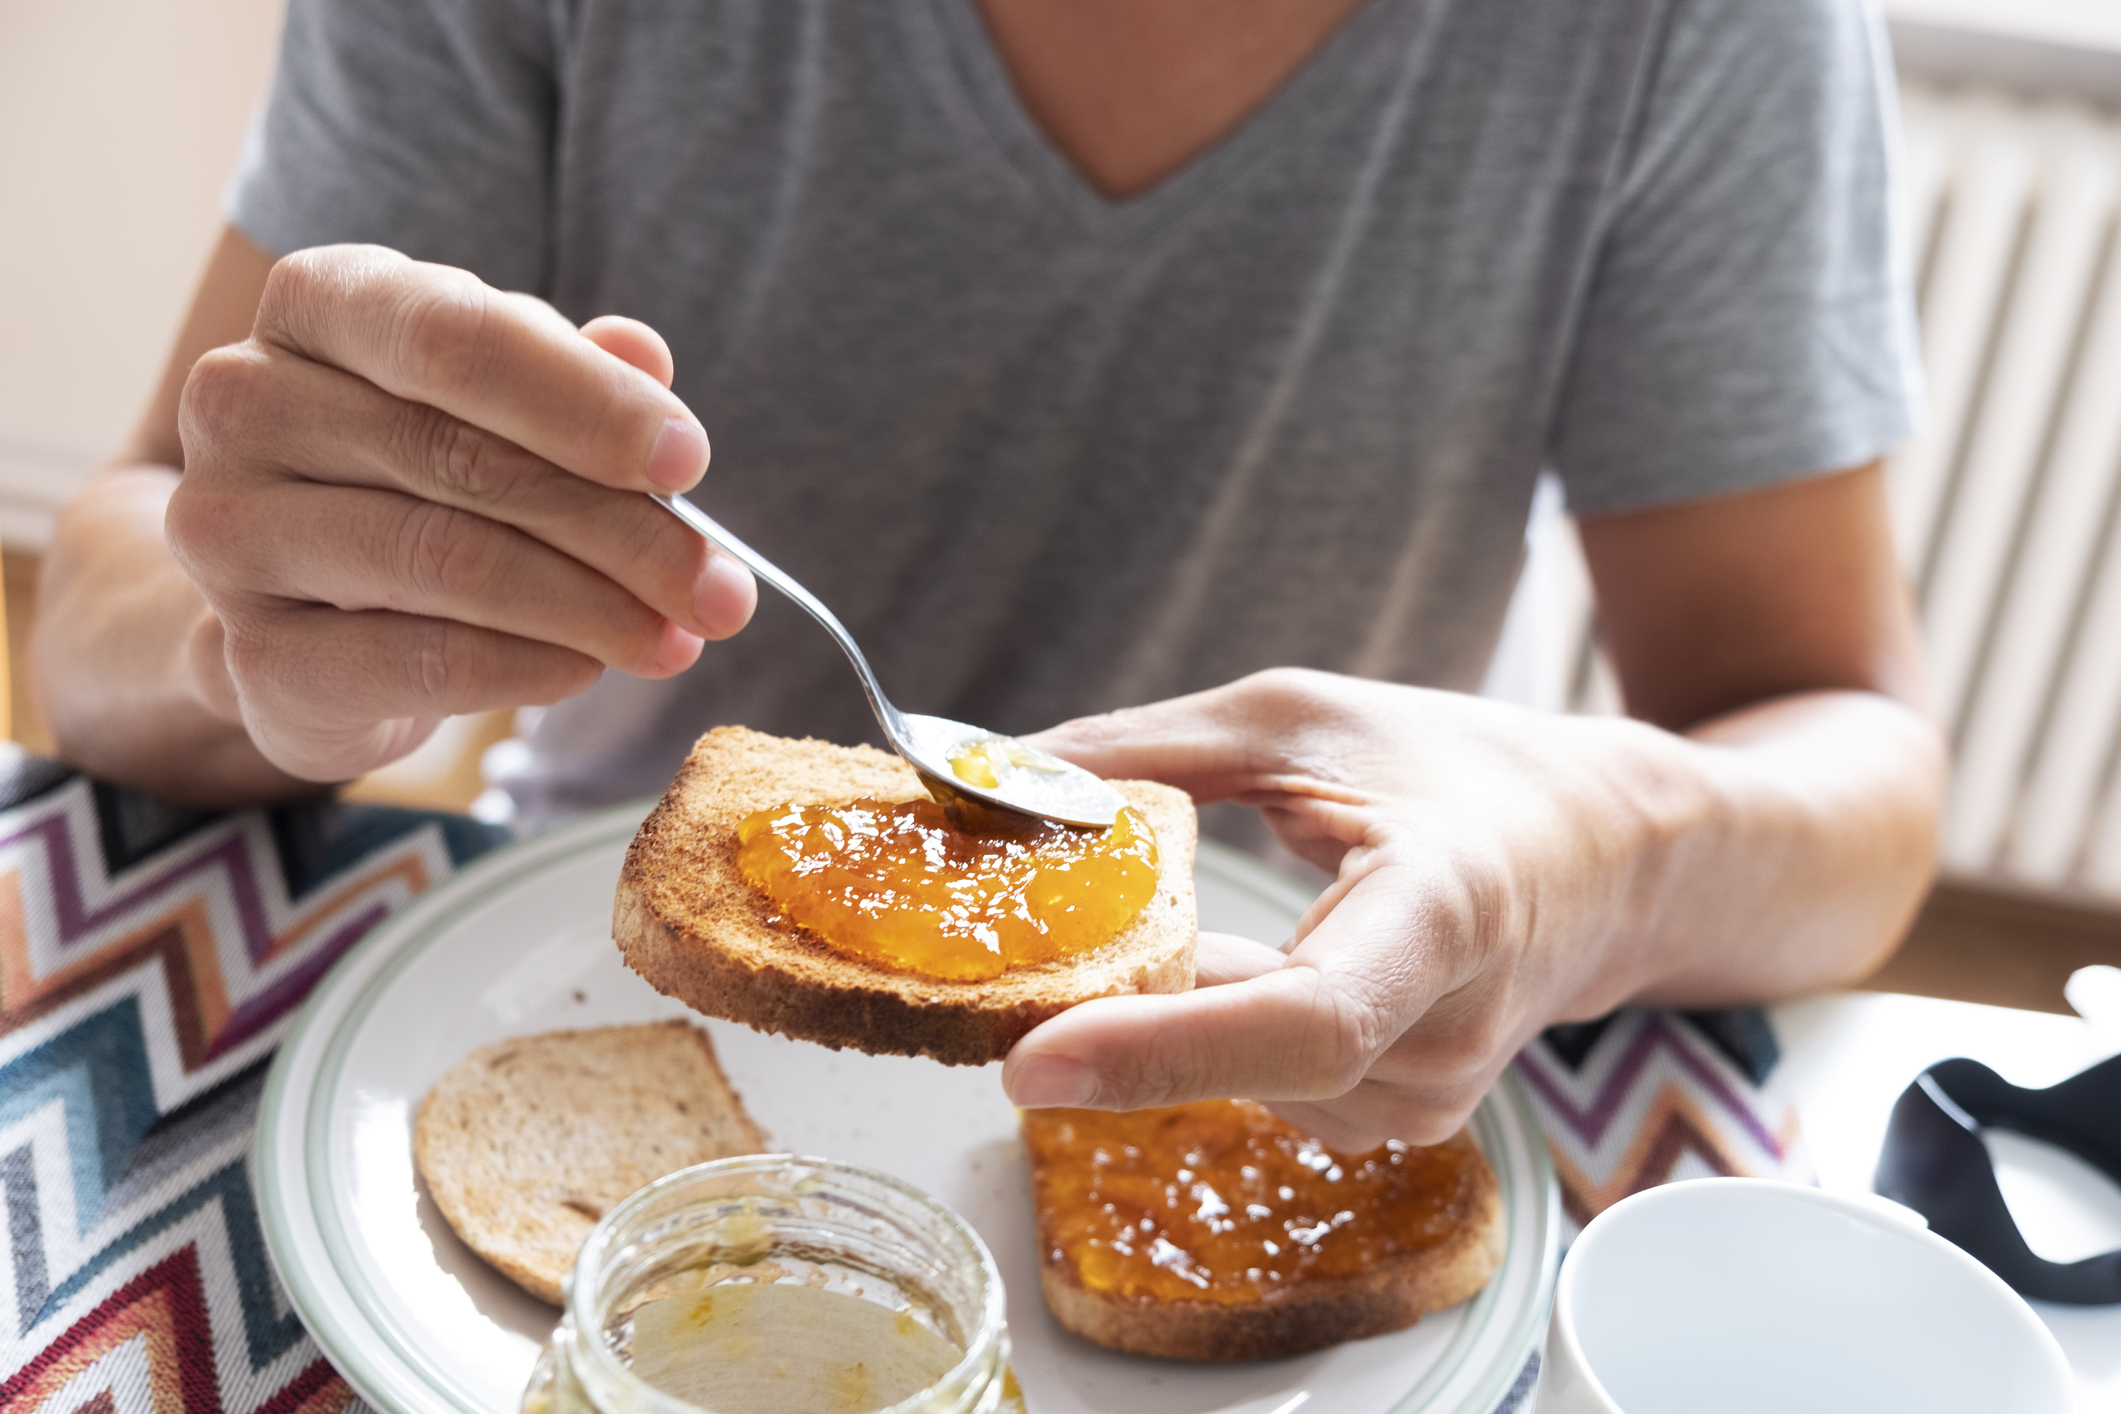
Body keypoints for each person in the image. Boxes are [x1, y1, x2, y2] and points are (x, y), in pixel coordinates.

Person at [31, 0, 1944, 1149]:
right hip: (601, 1018)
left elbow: (1849, 776)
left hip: (1281, 1068)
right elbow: (114, 590)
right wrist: (256, 638)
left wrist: (1584, 851)